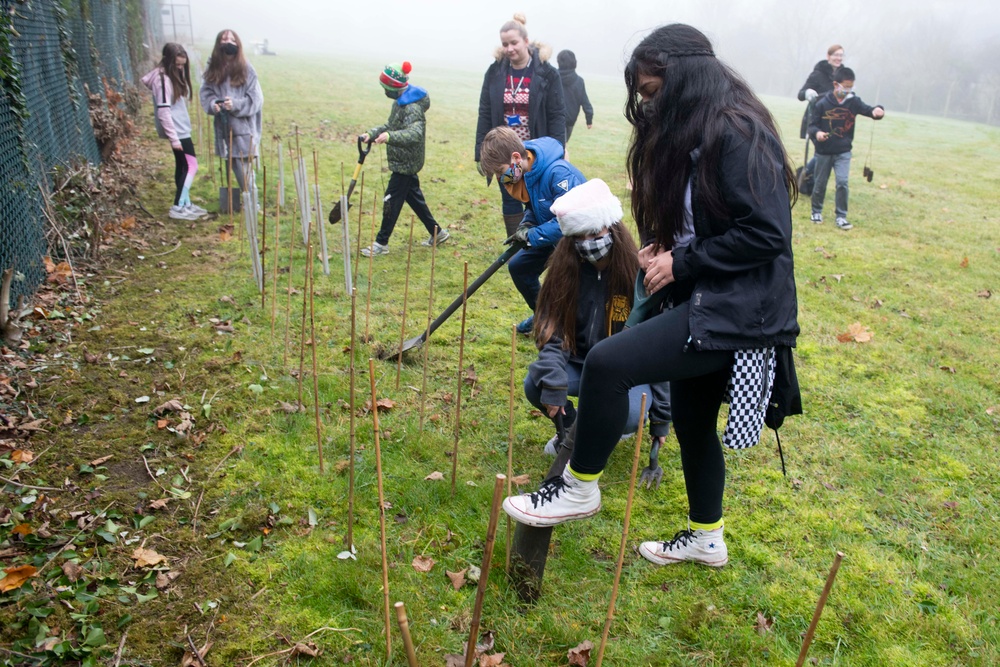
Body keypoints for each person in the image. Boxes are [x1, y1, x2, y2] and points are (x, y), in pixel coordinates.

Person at [502, 24, 801, 570]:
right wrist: (666, 243)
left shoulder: (740, 131)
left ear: (685, 79)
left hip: (738, 309)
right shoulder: (701, 132)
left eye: (652, 92)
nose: (647, 104)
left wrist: (680, 261)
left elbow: (766, 233)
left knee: (608, 362)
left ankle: (578, 486)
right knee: (690, 419)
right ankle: (708, 537)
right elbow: (710, 219)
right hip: (708, 295)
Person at [525, 179, 670, 455]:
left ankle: (609, 428)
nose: (587, 243)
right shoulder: (564, 273)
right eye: (578, 237)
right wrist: (555, 383)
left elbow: (659, 349)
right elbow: (551, 333)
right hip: (581, 364)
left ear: (612, 227)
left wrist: (661, 417)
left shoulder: (638, 277)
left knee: (629, 416)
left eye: (594, 234)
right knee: (536, 384)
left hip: (627, 372)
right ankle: (572, 429)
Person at [478, 126, 585, 333]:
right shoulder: (526, 171)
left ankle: (566, 328)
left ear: (516, 157)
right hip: (551, 234)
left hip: (577, 242)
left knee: (562, 286)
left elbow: (570, 220)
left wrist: (532, 235)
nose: (502, 179)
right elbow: (535, 207)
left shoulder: (558, 172)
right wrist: (526, 224)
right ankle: (544, 316)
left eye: (501, 172)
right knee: (519, 267)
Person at [475, 14, 567, 246]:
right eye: (505, 44)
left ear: (526, 41)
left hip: (534, 154)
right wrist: (480, 152)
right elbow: (485, 112)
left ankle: (541, 245)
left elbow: (557, 114)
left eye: (514, 43)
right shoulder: (495, 73)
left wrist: (559, 147)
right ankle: (518, 245)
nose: (509, 48)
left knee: (538, 200)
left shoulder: (548, 73)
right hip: (504, 152)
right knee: (510, 196)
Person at [358, 62, 448, 257]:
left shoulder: (412, 108)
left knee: (390, 200)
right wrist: (371, 134)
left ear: (394, 87)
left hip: (406, 163)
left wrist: (390, 137)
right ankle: (438, 233)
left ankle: (381, 243)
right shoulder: (398, 103)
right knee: (415, 200)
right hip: (402, 162)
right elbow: (390, 125)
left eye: (386, 89)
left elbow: (415, 133)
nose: (385, 92)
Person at [807, 67, 885, 230]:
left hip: (843, 151)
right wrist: (818, 133)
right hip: (823, 152)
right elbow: (812, 126)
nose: (848, 90)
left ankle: (841, 216)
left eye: (851, 87)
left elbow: (869, 110)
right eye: (845, 86)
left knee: (842, 182)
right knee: (820, 182)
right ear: (836, 84)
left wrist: (878, 111)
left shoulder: (853, 102)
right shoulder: (822, 104)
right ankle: (816, 211)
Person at [141, 43, 207, 221]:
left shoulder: (169, 77)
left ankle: (185, 203)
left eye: (182, 65)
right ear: (168, 61)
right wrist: (174, 138)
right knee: (192, 165)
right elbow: (163, 111)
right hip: (177, 131)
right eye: (177, 65)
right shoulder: (162, 80)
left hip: (180, 129)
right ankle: (178, 205)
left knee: (183, 166)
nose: (180, 68)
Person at [200, 29, 263, 206]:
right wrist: (214, 105)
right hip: (224, 127)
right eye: (224, 38)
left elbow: (256, 99)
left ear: (238, 44)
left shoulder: (247, 68)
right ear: (218, 44)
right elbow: (206, 93)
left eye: (232, 39)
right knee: (235, 166)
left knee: (244, 169)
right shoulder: (213, 67)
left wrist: (235, 104)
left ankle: (253, 204)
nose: (228, 42)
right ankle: (246, 201)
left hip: (243, 128)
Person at [796, 44, 844, 190]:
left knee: (825, 154)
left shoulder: (844, 76)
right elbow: (801, 94)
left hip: (835, 122)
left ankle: (807, 180)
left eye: (841, 55)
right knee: (821, 154)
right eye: (836, 55)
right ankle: (804, 178)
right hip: (816, 120)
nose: (838, 58)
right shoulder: (817, 74)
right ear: (828, 56)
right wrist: (808, 93)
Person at [556, 50, 593, 144]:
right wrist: (589, 119)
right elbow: (585, 101)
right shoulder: (579, 81)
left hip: (554, 118)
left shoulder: (553, 77)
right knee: (562, 146)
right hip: (569, 120)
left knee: (556, 146)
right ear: (574, 63)